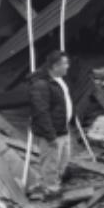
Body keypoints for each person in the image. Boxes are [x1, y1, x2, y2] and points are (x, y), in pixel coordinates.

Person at [29, 50, 74, 196]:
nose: (68, 66)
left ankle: (53, 185)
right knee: (50, 163)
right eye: (65, 64)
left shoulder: (59, 80)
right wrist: (50, 135)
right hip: (52, 132)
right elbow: (41, 112)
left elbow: (63, 103)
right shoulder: (41, 85)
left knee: (62, 161)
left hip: (63, 129)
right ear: (55, 66)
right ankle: (51, 191)